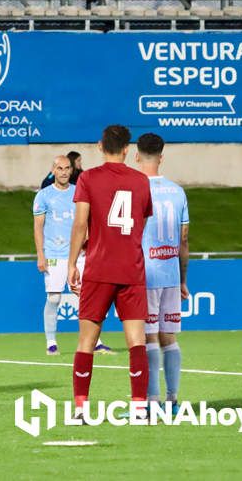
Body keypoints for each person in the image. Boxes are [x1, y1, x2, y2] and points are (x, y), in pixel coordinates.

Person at [67, 125, 153, 421]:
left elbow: (81, 224)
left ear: (100, 146)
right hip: (131, 268)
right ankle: (139, 408)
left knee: (86, 342)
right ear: (127, 149)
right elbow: (138, 221)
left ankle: (80, 409)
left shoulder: (89, 178)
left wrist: (71, 263)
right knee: (136, 341)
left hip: (99, 267)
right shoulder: (142, 181)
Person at [32, 155, 112, 356]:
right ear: (53, 170)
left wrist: (89, 244)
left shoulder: (80, 192)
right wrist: (40, 255)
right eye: (60, 168)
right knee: (54, 298)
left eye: (67, 168)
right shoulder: (43, 196)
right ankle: (51, 342)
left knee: (87, 298)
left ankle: (95, 341)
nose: (64, 172)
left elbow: (87, 222)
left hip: (79, 255)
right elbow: (38, 227)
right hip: (54, 255)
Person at [136, 133, 189, 406]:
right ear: (162, 157)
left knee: (148, 337)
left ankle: (152, 401)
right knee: (169, 336)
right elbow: (184, 241)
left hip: (144, 274)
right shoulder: (177, 191)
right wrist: (182, 280)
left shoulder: (134, 189)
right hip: (170, 273)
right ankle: (173, 401)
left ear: (136, 156)